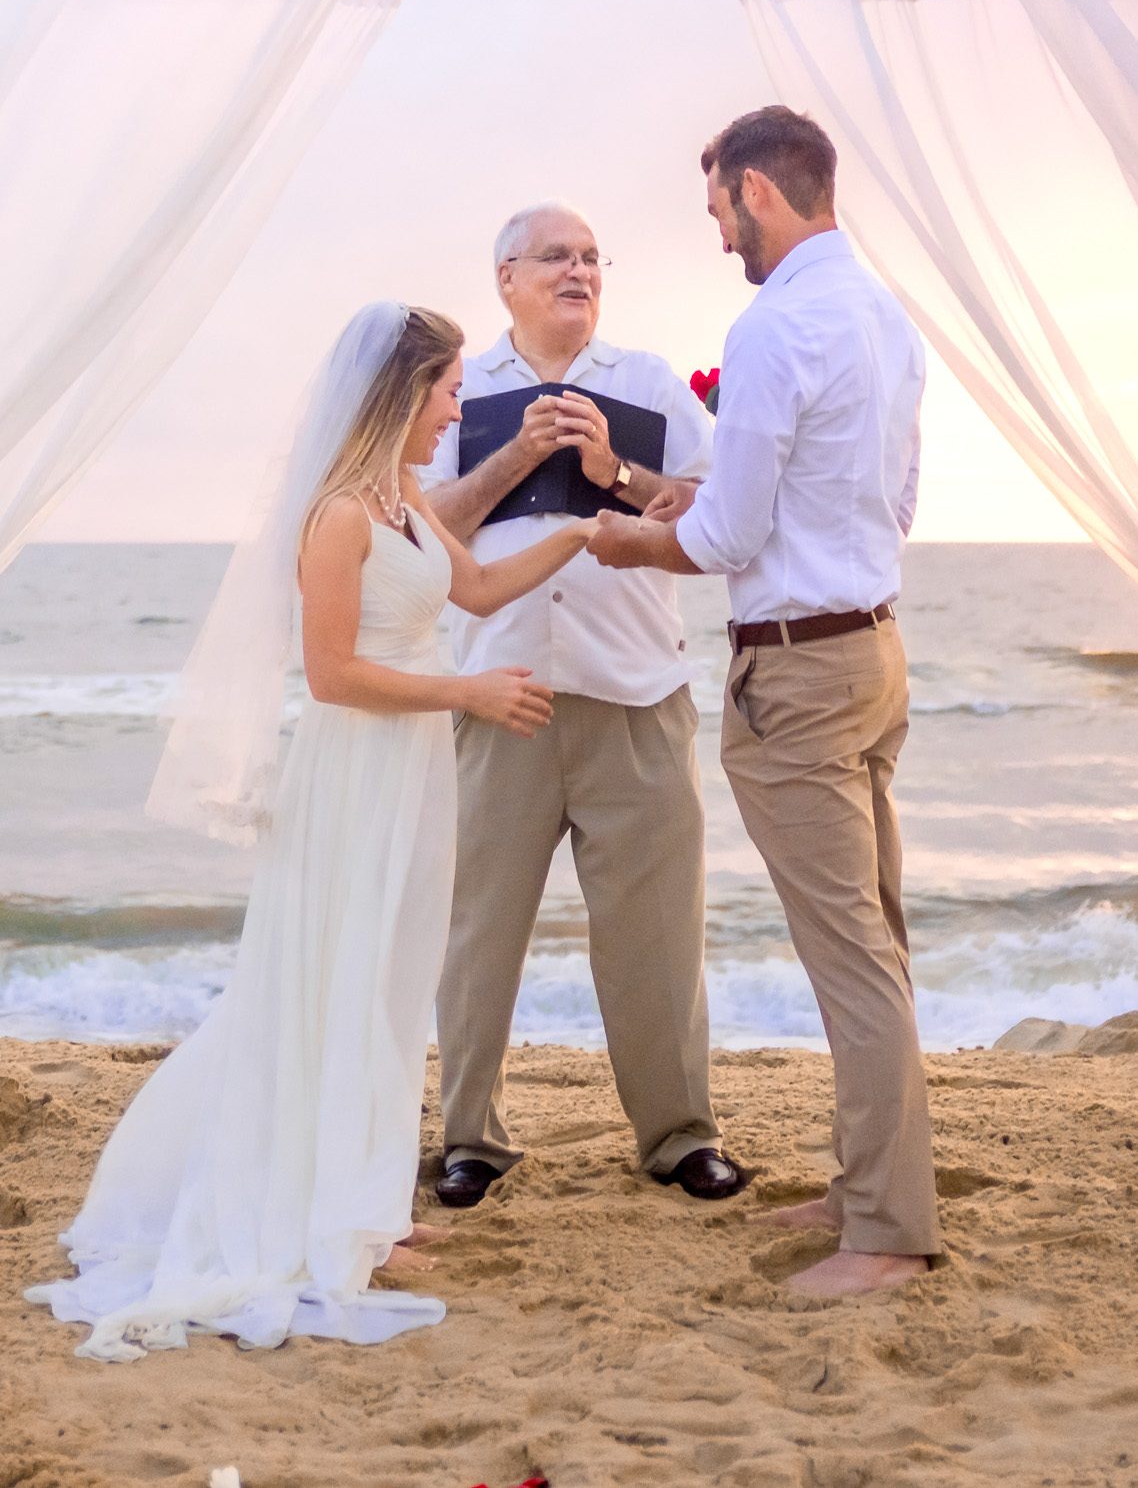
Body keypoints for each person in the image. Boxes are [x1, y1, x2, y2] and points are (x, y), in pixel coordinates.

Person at [26, 302, 596, 1361]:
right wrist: (464, 695)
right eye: (448, 389)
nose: (456, 409)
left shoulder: (408, 503)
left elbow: (469, 585)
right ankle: (316, 1208)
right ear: (401, 391)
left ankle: (360, 1204)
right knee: (333, 980)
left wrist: (577, 536)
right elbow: (331, 675)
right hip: (356, 777)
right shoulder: (338, 516)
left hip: (411, 773)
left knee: (387, 985)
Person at [587, 108, 942, 1297]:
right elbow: (888, 505)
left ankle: (886, 1231)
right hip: (875, 652)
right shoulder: (885, 315)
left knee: (850, 957)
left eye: (718, 211)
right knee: (875, 943)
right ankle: (866, 1182)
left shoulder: (774, 324)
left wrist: (629, 540)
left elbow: (731, 534)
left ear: (756, 191)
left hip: (794, 669)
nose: (719, 234)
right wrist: (678, 491)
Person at [424, 201, 741, 1209]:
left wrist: (617, 471)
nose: (579, 270)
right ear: (505, 278)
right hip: (498, 696)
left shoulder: (649, 383)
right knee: (477, 930)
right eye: (555, 256)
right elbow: (419, 536)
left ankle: (679, 1134)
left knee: (655, 935)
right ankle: (470, 1135)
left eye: (592, 257)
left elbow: (721, 519)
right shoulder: (458, 393)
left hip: (636, 694)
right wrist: (515, 456)